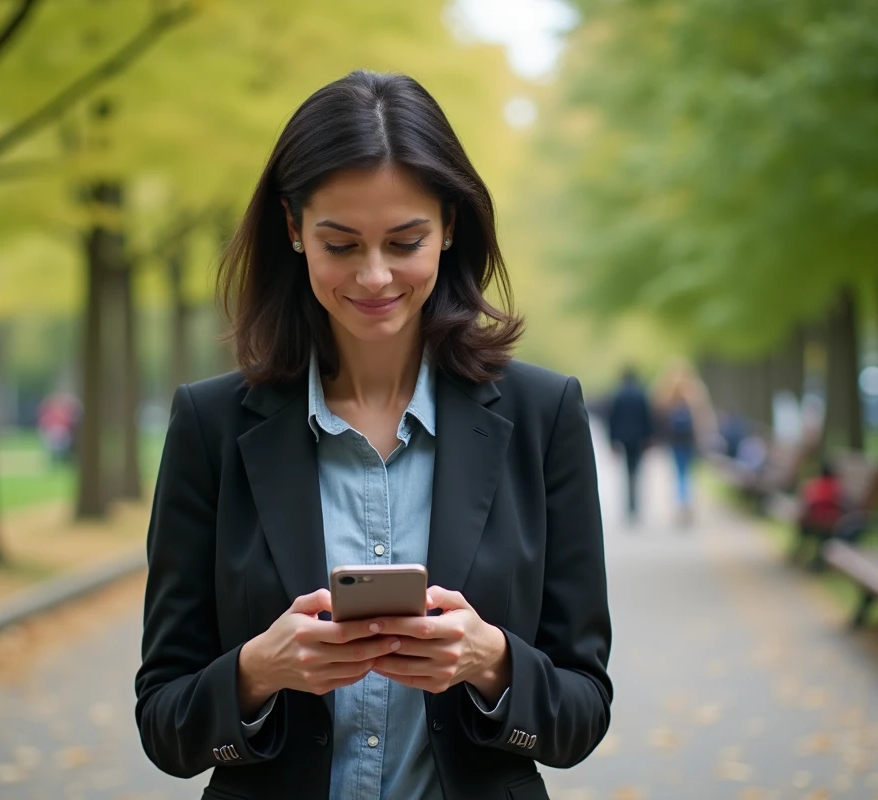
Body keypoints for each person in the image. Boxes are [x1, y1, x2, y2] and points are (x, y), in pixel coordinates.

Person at [134, 71, 613, 800]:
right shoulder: (210, 426)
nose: (375, 275)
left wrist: (492, 662)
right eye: (342, 244)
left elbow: (583, 712)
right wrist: (260, 670)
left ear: (451, 225)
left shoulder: (544, 416)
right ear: (293, 229)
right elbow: (164, 724)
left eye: (404, 240)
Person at [653, 360, 716, 526]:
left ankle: (681, 503)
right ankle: (686, 503)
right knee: (687, 472)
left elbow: (658, 414)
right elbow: (703, 415)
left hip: (675, 440)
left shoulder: (667, 392)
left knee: (679, 472)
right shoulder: (694, 391)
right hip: (689, 440)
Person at [606, 366, 653, 523]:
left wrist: (612, 440)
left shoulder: (618, 395)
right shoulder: (641, 394)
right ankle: (635, 505)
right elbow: (647, 418)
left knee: (627, 472)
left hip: (624, 439)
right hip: (639, 439)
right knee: (636, 471)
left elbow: (612, 419)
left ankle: (629, 505)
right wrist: (648, 437)